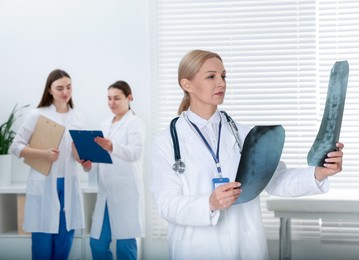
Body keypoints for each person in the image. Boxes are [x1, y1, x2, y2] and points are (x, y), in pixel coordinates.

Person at [150, 49, 345, 260]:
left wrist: (318, 173)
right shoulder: (167, 142)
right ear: (186, 84)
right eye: (211, 76)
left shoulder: (244, 135)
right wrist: (209, 203)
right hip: (196, 249)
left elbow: (277, 180)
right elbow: (167, 204)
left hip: (246, 247)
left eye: (223, 76)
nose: (221, 83)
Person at [10, 69, 85, 260]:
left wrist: (82, 156)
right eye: (59, 88)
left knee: (64, 241)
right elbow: (16, 147)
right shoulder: (38, 114)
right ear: (50, 90)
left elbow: (76, 153)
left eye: (68, 87)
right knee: (42, 243)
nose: (65, 92)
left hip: (68, 185)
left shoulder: (77, 117)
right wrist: (44, 154)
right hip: (44, 183)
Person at [79, 80, 145, 260]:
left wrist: (112, 146)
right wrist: (89, 165)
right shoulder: (105, 124)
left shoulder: (134, 122)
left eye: (117, 98)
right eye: (109, 98)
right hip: (106, 194)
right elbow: (101, 160)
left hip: (125, 194)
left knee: (125, 248)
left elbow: (135, 153)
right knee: (97, 244)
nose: (112, 103)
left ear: (129, 98)